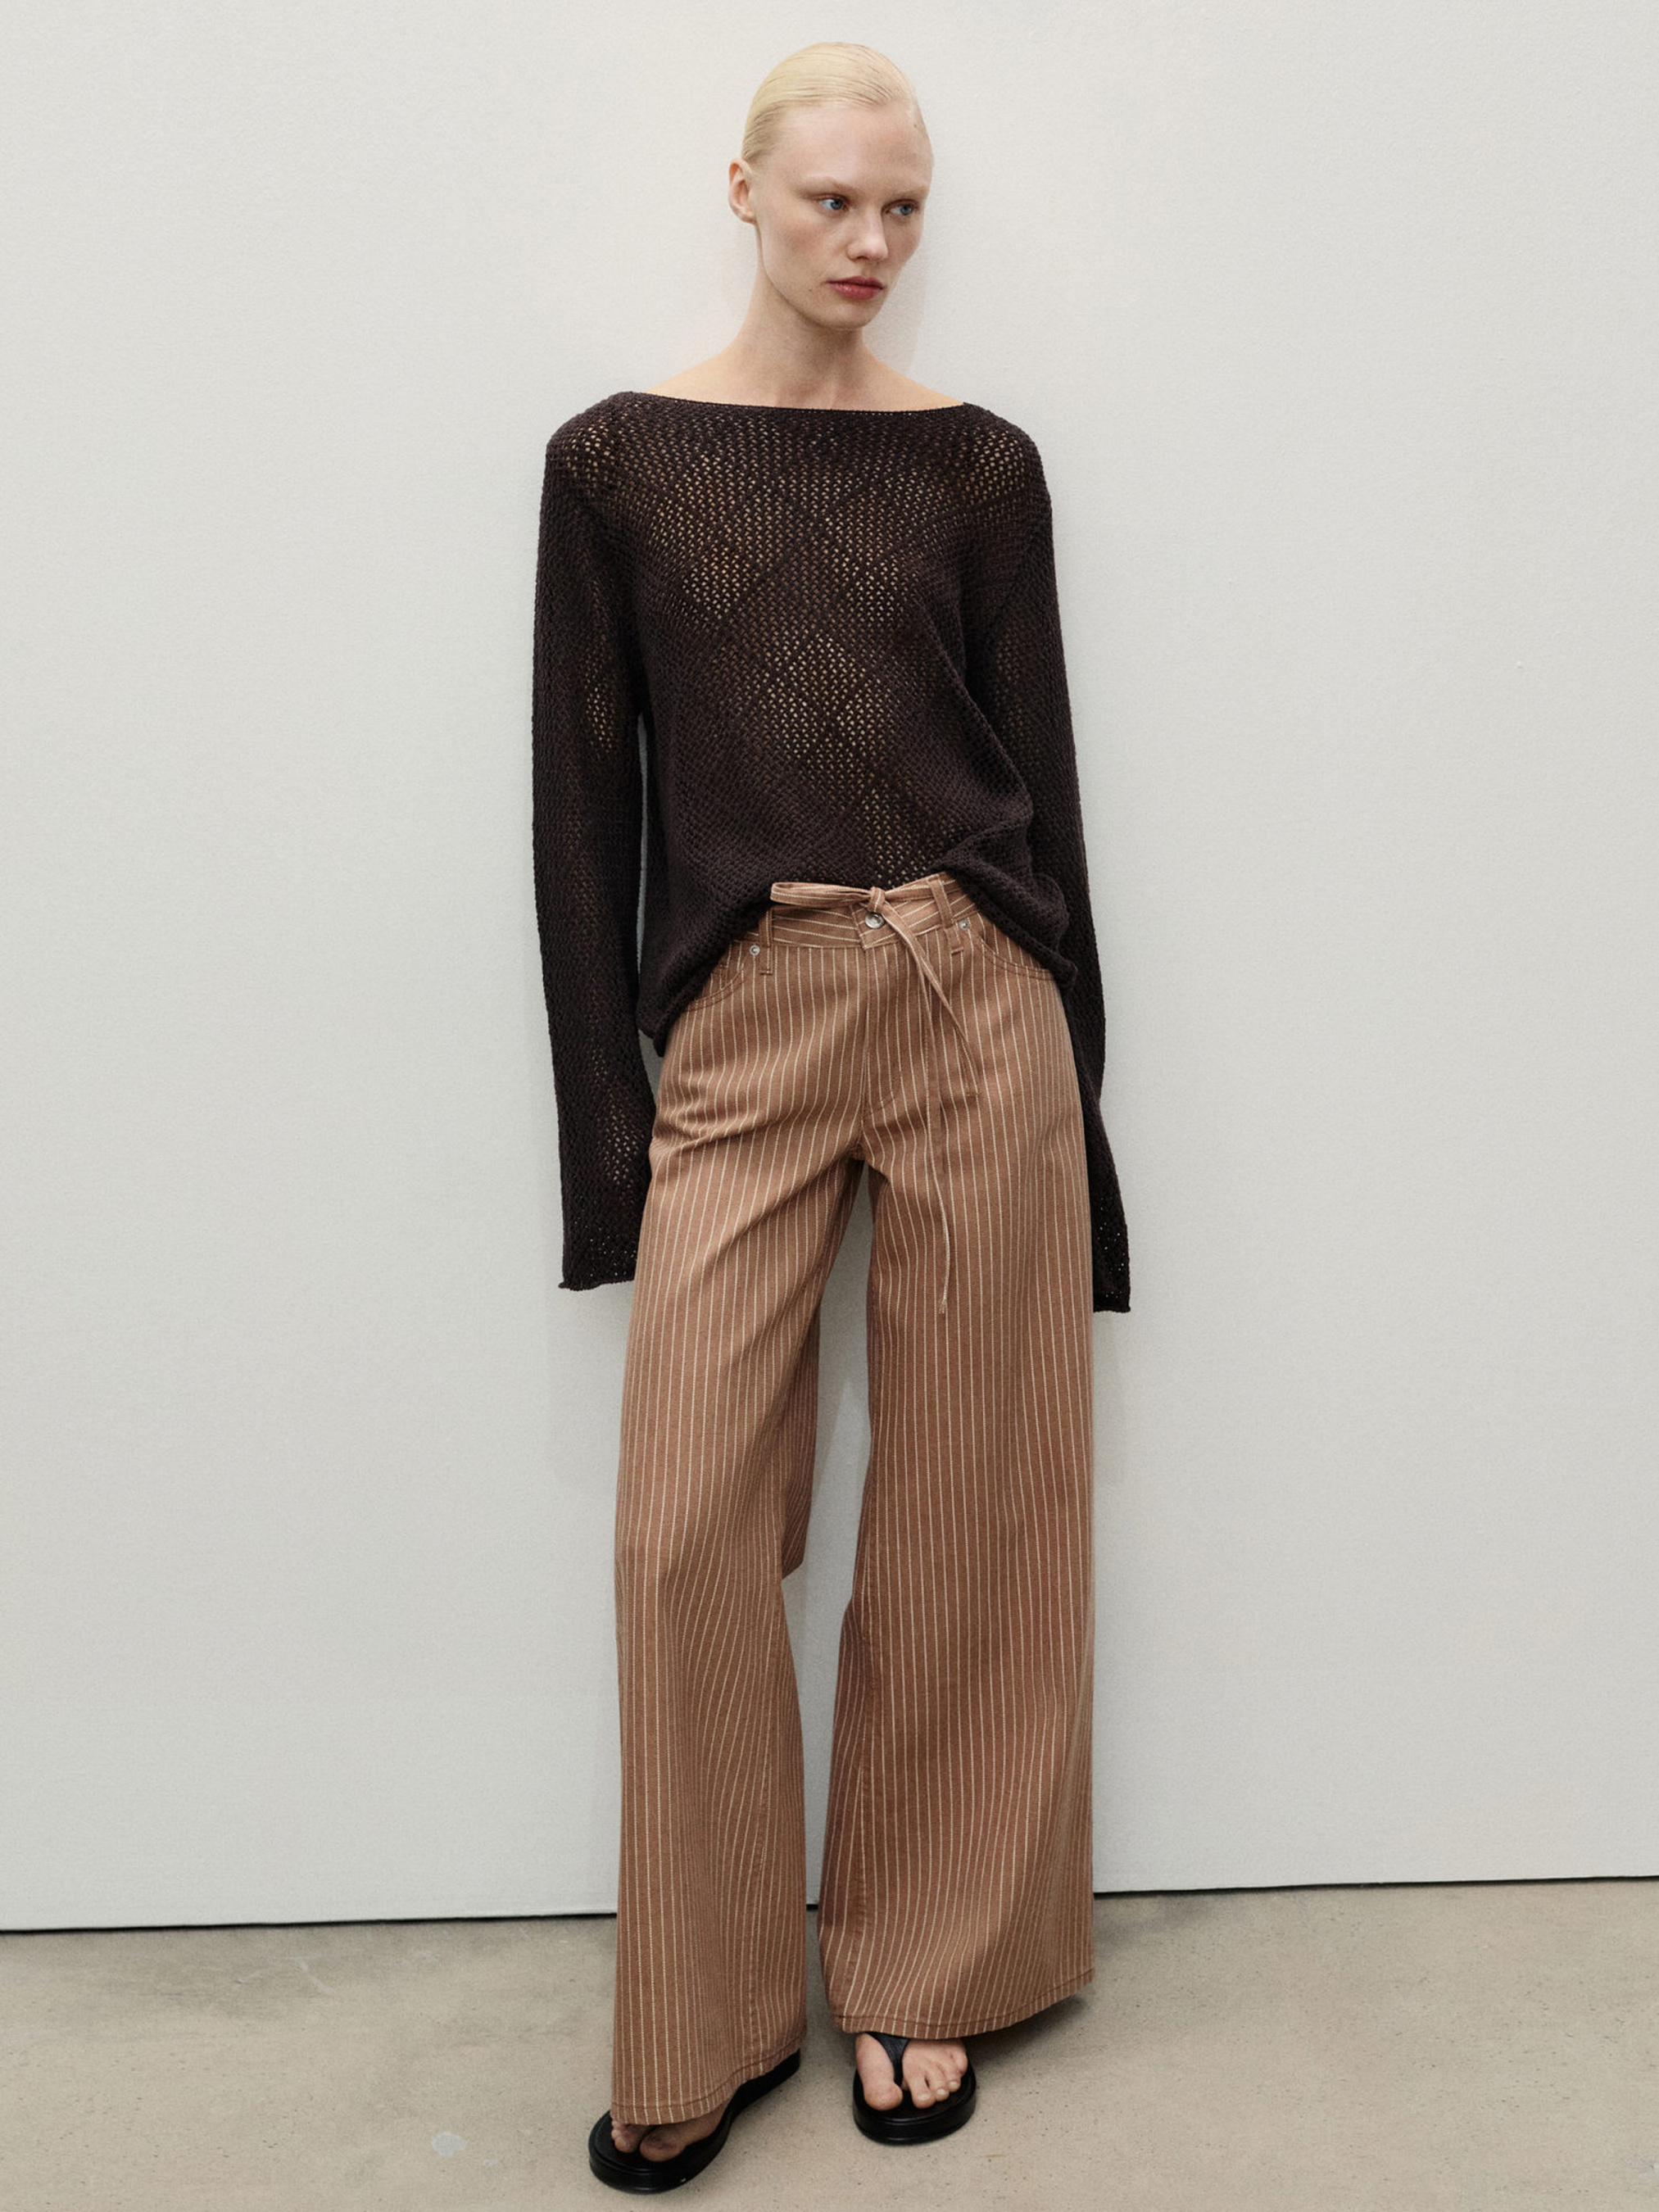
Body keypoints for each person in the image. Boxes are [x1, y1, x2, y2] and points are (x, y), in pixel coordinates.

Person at [531, 40, 1131, 2193]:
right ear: (743, 193)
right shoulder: (616, 461)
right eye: (832, 202)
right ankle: (700, 2010)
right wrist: (611, 1142)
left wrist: (1089, 1121)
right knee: (685, 1522)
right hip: (746, 1009)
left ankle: (921, 1962)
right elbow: (581, 818)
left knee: (972, 1508)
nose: (872, 241)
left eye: (903, 207)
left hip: (976, 989)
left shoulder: (980, 466)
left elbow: (1044, 788)